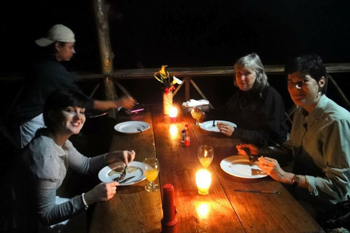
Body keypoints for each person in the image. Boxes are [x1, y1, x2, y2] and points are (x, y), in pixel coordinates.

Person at [0, 89, 136, 232]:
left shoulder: (55, 138)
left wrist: (113, 155)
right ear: (52, 114)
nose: (78, 117)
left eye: (82, 111)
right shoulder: (46, 156)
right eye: (70, 111)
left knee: (84, 213)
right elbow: (46, 216)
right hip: (23, 222)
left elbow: (85, 165)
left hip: (37, 205)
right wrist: (90, 196)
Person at [237, 54, 350, 221]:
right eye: (290, 82)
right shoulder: (300, 110)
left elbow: (339, 187)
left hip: (326, 205)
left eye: (302, 82)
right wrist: (259, 151)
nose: (295, 89)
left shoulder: (336, 121)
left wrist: (287, 177)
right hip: (297, 190)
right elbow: (291, 149)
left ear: (321, 82)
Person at [11, 24, 135, 148]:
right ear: (58, 46)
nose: (73, 51)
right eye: (70, 47)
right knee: (37, 162)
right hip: (32, 122)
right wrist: (118, 103)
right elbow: (84, 102)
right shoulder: (53, 71)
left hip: (42, 118)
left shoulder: (44, 63)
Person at [206, 53, 289, 147]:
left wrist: (235, 132)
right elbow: (227, 111)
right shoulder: (243, 92)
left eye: (247, 73)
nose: (242, 78)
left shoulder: (270, 96)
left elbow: (270, 137)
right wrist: (206, 114)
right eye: (239, 73)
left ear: (258, 74)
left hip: (273, 148)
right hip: (247, 142)